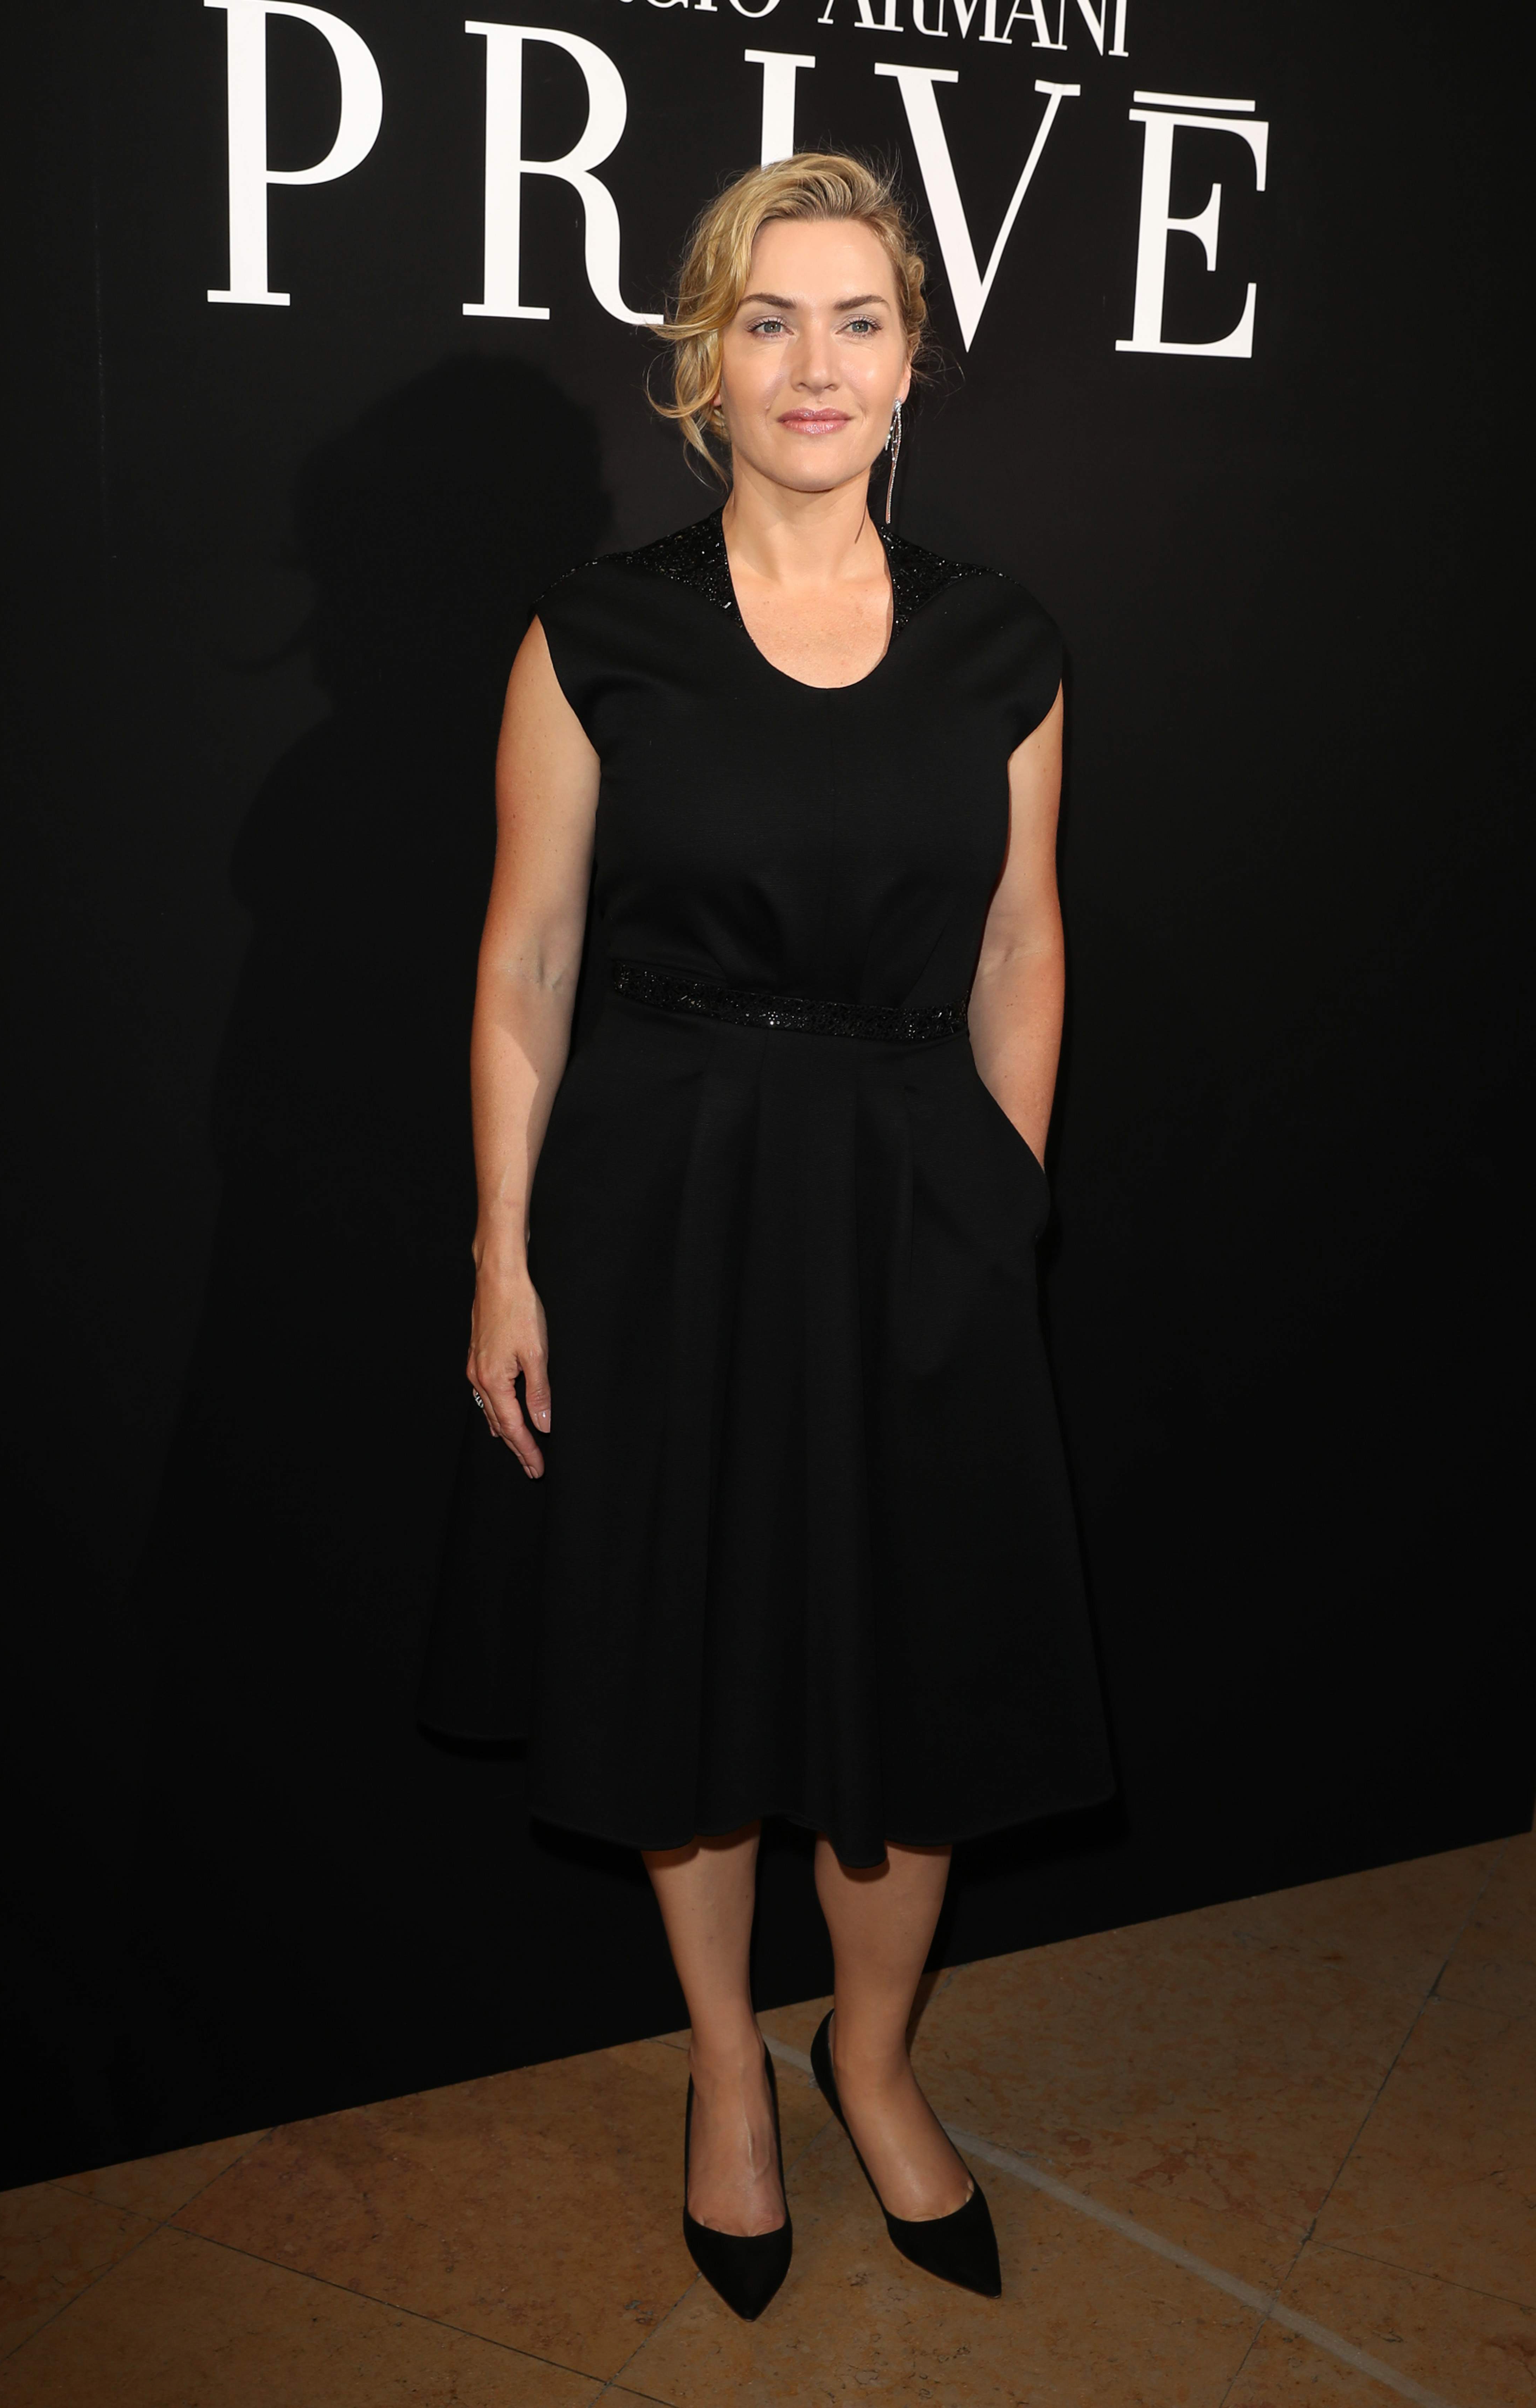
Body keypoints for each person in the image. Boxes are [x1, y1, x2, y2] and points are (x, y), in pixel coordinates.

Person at [420, 152, 1112, 2318]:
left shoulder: (1004, 640)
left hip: (914, 1202)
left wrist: (1000, 1195)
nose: (816, 365)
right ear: (703, 360)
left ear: (912, 363)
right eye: (770, 319)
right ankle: (728, 2064)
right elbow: (528, 957)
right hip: (663, 1203)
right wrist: (504, 1250)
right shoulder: (596, 632)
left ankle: (869, 2054)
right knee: (689, 1654)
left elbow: (1023, 942)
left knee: (919, 1664)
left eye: (859, 320)